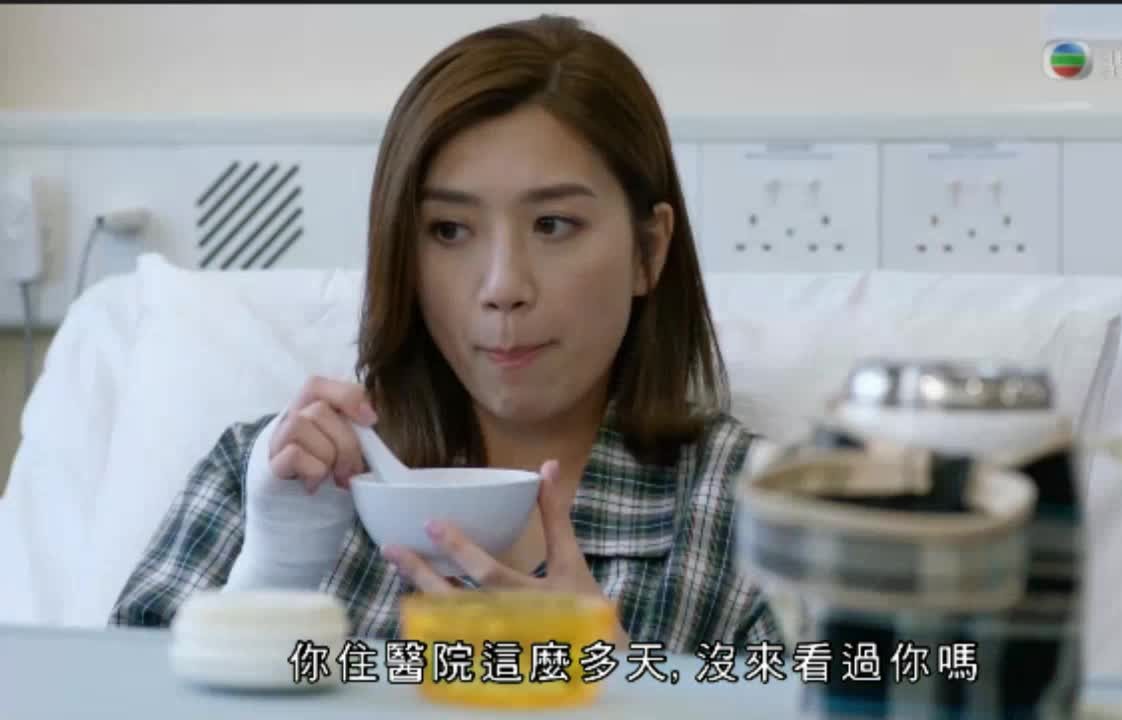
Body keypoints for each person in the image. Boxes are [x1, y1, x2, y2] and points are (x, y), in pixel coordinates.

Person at [109, 14, 782, 653]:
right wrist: (269, 581)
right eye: (450, 230)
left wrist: (622, 683)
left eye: (553, 225)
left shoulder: (762, 511)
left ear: (649, 250)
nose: (502, 286)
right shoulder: (277, 477)